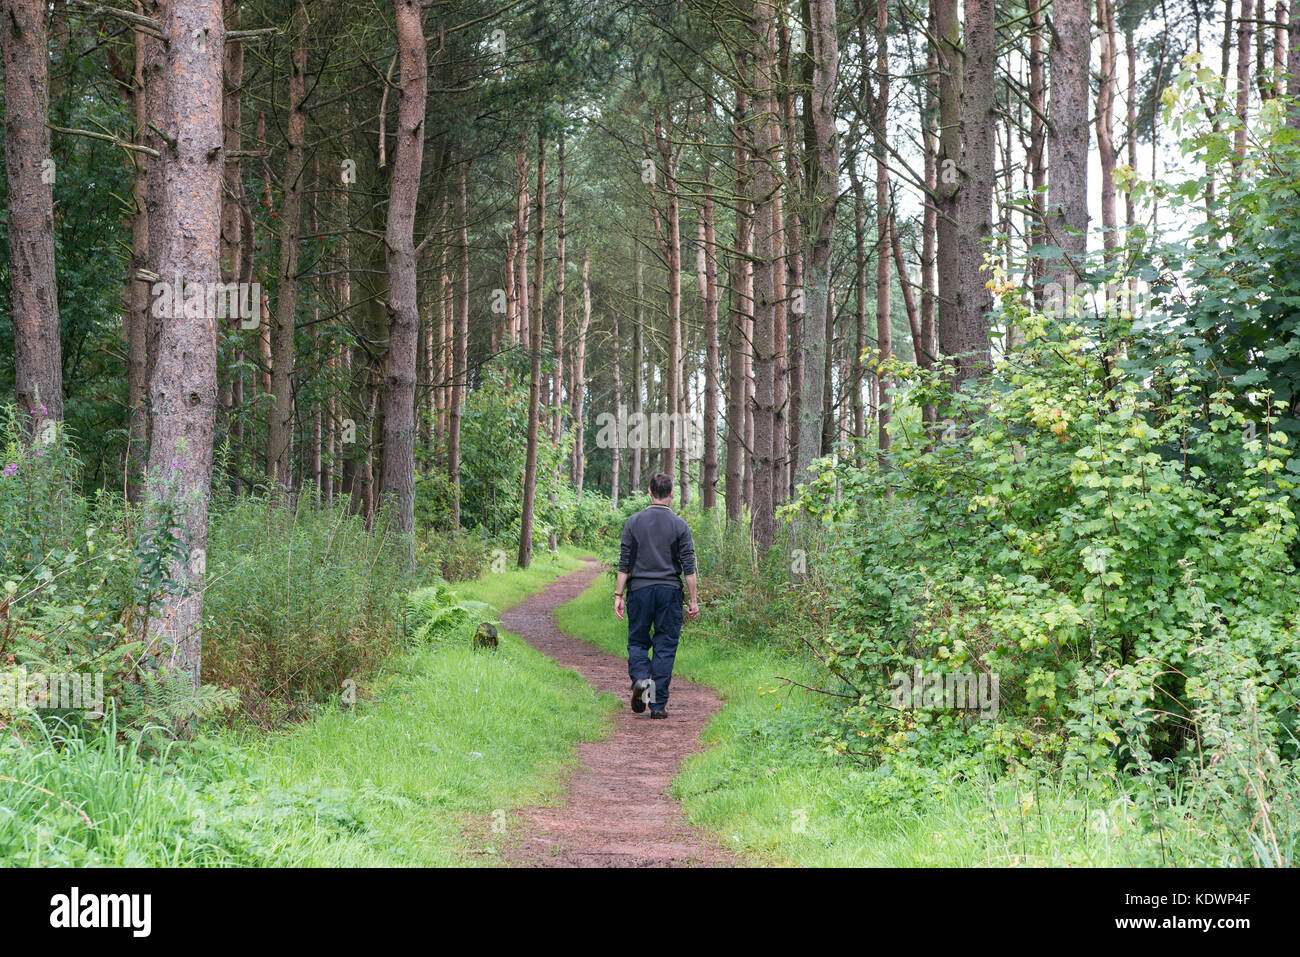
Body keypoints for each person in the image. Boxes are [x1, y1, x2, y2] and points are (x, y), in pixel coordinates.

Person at [613, 472, 699, 719]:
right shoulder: (680, 525)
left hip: (639, 591)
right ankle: (658, 705)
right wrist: (693, 601)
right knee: (665, 645)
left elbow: (624, 562)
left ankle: (641, 681)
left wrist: (619, 594)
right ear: (672, 493)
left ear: (649, 492)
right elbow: (689, 568)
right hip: (669, 592)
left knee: (638, 641)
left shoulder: (633, 522)